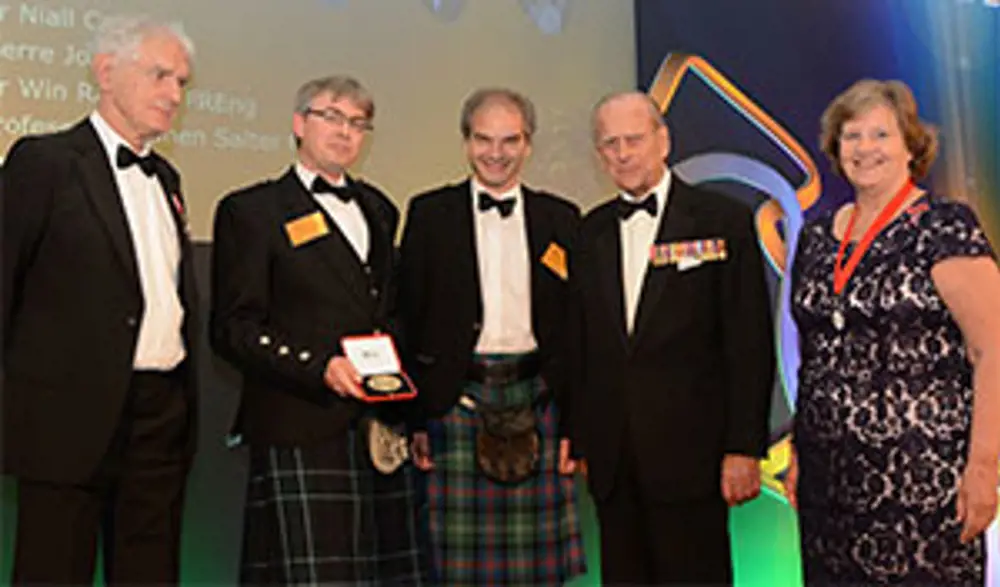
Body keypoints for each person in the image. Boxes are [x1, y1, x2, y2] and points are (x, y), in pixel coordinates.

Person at [2, 15, 198, 585]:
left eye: (182, 82)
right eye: (160, 75)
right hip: (67, 418)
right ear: (105, 72)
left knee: (149, 571)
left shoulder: (168, 178)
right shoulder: (44, 162)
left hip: (160, 414)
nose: (173, 94)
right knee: (53, 570)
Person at [210, 75, 426, 585]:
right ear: (298, 123)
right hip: (299, 421)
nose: (345, 131)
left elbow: (387, 312)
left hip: (375, 428)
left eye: (357, 122)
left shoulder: (379, 207)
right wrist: (317, 368)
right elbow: (233, 327)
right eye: (331, 116)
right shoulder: (252, 210)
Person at [785, 78, 1000, 584]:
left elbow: (991, 350)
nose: (865, 149)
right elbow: (816, 357)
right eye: (851, 136)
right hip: (828, 485)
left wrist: (985, 468)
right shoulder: (816, 237)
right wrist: (798, 453)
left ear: (911, 146)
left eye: (880, 135)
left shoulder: (944, 226)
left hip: (922, 485)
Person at [566, 91, 775, 585]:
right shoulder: (589, 232)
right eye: (609, 143)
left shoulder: (723, 220)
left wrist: (744, 446)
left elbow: (749, 341)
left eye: (633, 139)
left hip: (695, 460)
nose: (622, 153)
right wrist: (581, 439)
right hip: (615, 463)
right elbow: (582, 347)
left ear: (664, 140)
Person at [398, 87, 586, 585]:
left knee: (538, 575)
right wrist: (415, 416)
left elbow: (577, 331)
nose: (496, 153)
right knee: (457, 572)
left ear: (528, 144)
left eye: (510, 140)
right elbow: (407, 318)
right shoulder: (429, 214)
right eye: (484, 139)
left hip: (540, 398)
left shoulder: (562, 219)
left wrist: (576, 425)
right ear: (465, 142)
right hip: (455, 404)